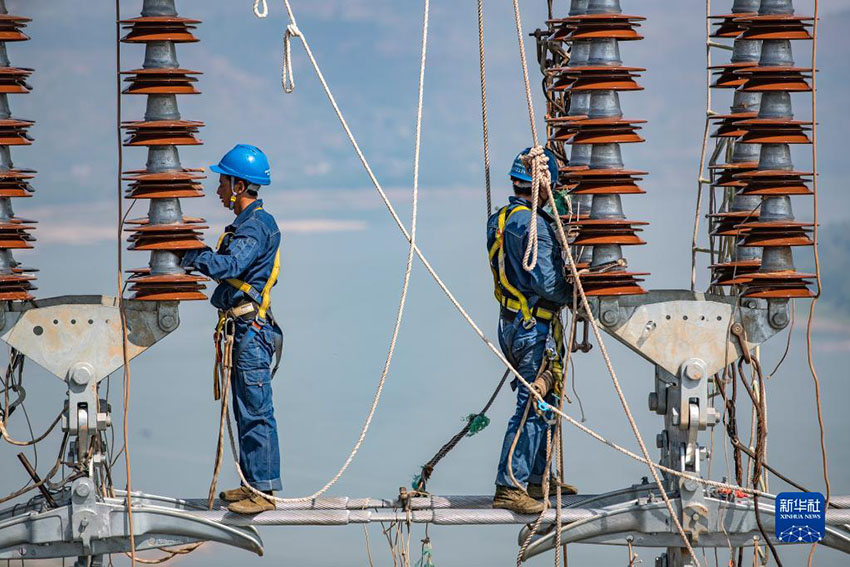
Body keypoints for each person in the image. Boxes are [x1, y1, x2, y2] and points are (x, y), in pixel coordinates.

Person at [181, 144, 283, 514]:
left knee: (256, 410)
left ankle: (264, 491)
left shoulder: (254, 227)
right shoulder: (250, 224)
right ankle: (253, 484)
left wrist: (194, 257)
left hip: (250, 332)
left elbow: (230, 265)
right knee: (245, 409)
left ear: (239, 185)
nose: (218, 189)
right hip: (244, 330)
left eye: (223, 181)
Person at [487, 147, 578, 515]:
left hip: (515, 324)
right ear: (543, 185)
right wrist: (576, 289)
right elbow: (548, 283)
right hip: (532, 327)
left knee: (546, 400)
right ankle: (510, 485)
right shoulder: (531, 225)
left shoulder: (502, 218)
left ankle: (540, 478)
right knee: (532, 405)